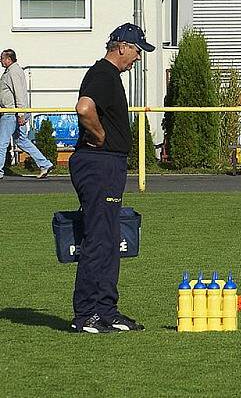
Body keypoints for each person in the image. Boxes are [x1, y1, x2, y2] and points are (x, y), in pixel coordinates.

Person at [69, 23, 154, 333]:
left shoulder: (109, 76)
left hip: (107, 164)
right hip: (99, 163)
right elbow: (84, 107)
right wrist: (101, 135)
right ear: (121, 47)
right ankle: (87, 314)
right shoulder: (103, 75)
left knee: (109, 237)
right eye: (136, 51)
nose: (138, 58)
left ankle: (107, 310)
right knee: (99, 237)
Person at [0, 49, 55, 180]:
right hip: (15, 112)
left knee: (2, 142)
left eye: (2, 58)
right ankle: (45, 164)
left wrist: (20, 114)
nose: (0, 61)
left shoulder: (13, 72)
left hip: (11, 113)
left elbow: (19, 93)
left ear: (9, 59)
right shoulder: (13, 71)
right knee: (22, 141)